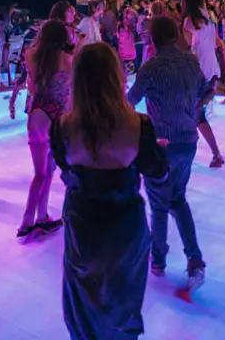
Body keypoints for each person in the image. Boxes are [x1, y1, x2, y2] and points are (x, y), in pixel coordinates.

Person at [51, 43, 169, 339]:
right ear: (115, 77)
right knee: (123, 306)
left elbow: (67, 173)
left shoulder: (62, 128)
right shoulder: (138, 125)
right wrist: (155, 151)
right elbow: (159, 171)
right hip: (125, 232)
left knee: (83, 310)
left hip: (83, 231)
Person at [127, 16, 211, 288]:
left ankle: (159, 260)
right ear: (176, 35)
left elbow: (130, 101)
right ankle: (194, 259)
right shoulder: (191, 62)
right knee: (178, 200)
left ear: (152, 39)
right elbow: (203, 91)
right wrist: (191, 111)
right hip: (188, 141)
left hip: (161, 144)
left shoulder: (150, 68)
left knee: (159, 205)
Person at [19, 19, 74, 240]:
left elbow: (31, 87)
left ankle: (32, 218)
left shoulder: (31, 56)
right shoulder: (68, 58)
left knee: (40, 173)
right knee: (50, 172)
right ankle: (37, 218)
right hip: (57, 118)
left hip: (36, 114)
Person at [182, 0, 225, 167]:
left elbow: (189, 48)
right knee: (196, 115)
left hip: (198, 72)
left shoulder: (189, 22)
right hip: (212, 70)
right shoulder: (209, 20)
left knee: (194, 115)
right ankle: (214, 154)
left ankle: (211, 154)